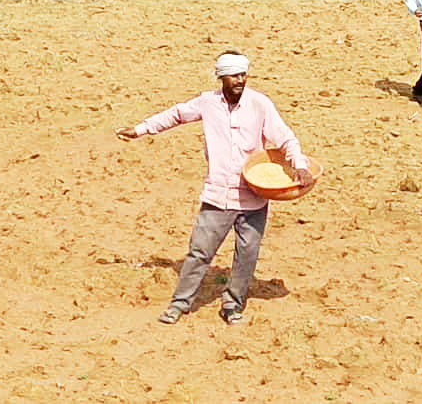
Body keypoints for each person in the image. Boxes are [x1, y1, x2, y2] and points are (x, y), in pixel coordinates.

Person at [115, 51, 312, 326]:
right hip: (218, 196)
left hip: (254, 197)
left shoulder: (260, 104)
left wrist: (299, 165)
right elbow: (176, 115)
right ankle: (180, 304)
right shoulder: (207, 103)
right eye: (234, 76)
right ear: (221, 77)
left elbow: (285, 138)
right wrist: (140, 129)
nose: (240, 80)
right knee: (199, 252)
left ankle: (233, 305)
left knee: (247, 255)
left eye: (243, 75)